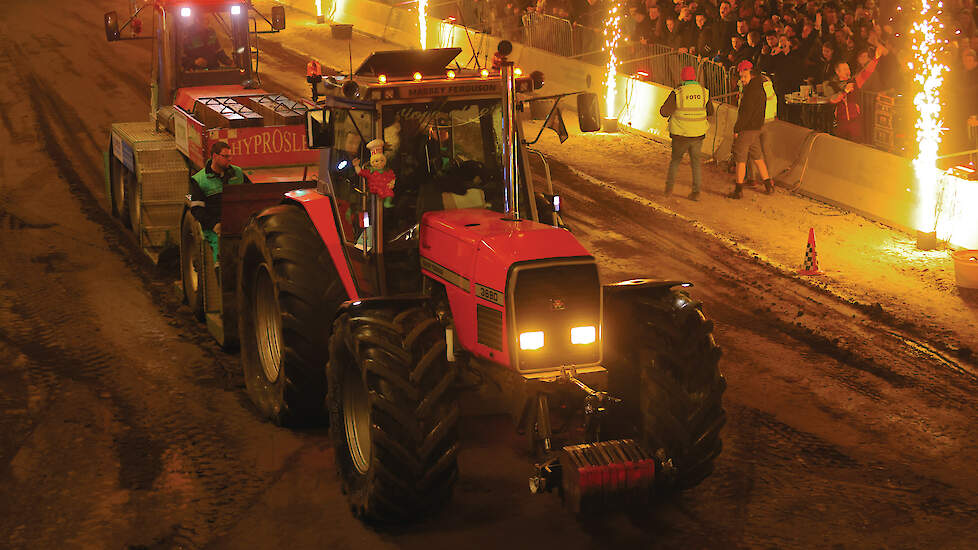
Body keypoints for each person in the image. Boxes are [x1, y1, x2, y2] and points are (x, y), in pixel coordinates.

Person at [189, 141, 250, 267]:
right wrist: (214, 225)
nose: (229, 159)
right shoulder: (199, 180)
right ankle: (222, 278)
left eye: (230, 156)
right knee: (222, 253)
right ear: (215, 157)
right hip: (214, 227)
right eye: (226, 156)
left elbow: (251, 194)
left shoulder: (237, 173)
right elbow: (197, 210)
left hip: (237, 223)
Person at [660, 66, 714, 201]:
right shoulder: (704, 92)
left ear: (682, 77)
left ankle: (668, 190)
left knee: (675, 162)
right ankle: (696, 193)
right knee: (695, 163)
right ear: (694, 77)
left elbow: (664, 112)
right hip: (698, 134)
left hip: (681, 134)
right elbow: (711, 112)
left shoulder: (678, 92)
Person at [728, 60, 774, 198]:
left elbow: (745, 113)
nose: (742, 79)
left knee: (740, 157)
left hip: (747, 129)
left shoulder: (751, 91)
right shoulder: (761, 87)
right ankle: (768, 185)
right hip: (757, 127)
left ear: (751, 74)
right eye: (741, 77)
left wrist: (737, 129)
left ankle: (738, 190)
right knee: (757, 156)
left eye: (744, 76)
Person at [826, 45, 884, 142]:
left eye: (848, 68)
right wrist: (844, 91)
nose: (848, 71)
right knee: (840, 146)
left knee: (856, 145)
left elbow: (866, 72)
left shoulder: (854, 82)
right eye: (844, 69)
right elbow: (832, 99)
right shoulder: (830, 84)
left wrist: (876, 58)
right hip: (840, 122)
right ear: (837, 72)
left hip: (855, 121)